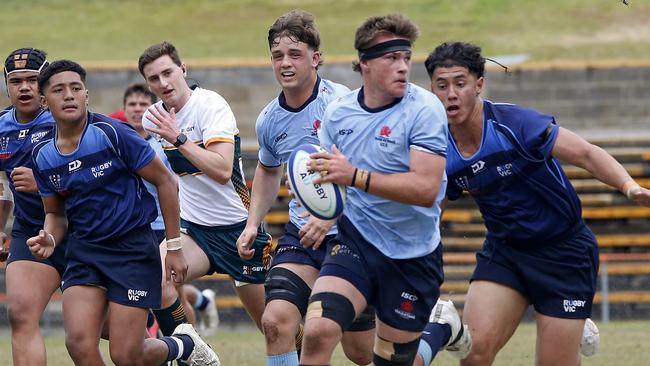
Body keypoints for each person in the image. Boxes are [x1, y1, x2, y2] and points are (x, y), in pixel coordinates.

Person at [424, 41, 650, 366]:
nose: (451, 94)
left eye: (460, 83)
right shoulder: (441, 149)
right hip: (506, 252)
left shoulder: (515, 124)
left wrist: (630, 188)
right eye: (441, 86)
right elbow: (433, 210)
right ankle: (562, 320)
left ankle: (566, 320)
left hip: (565, 254)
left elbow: (587, 153)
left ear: (479, 85)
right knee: (474, 355)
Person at [299, 14, 470, 366]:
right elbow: (330, 176)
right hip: (356, 242)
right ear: (364, 64)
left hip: (412, 256)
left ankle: (441, 328)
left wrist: (354, 176)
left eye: (406, 58)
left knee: (393, 361)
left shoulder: (424, 110)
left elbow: (425, 189)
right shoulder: (338, 114)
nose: (403, 67)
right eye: (391, 58)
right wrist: (315, 194)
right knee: (316, 333)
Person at [28, 59, 219, 366]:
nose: (69, 96)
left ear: (86, 95)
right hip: (85, 252)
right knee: (78, 342)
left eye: (76, 88)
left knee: (126, 355)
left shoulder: (113, 134)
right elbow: (56, 213)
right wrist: (50, 236)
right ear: (44, 102)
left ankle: (184, 345)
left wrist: (173, 247)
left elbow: (166, 182)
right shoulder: (43, 155)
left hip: (131, 250)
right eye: (59, 90)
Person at [235, 10, 375, 366]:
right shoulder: (269, 119)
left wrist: (329, 220)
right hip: (302, 235)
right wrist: (253, 224)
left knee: (360, 352)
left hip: (351, 234)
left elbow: (366, 171)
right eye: (278, 55)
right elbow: (268, 171)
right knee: (274, 321)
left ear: (315, 58)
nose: (285, 63)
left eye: (295, 54)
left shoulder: (341, 105)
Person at [138, 41, 272, 337]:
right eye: (153, 78)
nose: (163, 83)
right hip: (194, 231)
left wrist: (178, 139)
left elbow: (223, 171)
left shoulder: (210, 105)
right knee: (155, 279)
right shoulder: (153, 118)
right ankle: (195, 353)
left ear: (183, 69)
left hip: (239, 229)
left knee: (272, 326)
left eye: (168, 73)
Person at [0, 47, 67, 366]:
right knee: (21, 314)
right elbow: (2, 186)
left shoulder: (65, 119)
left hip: (81, 230)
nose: (24, 87)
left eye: (32, 80)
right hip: (31, 232)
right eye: (16, 81)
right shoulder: (1, 127)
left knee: (101, 330)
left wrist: (41, 180)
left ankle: (172, 345)